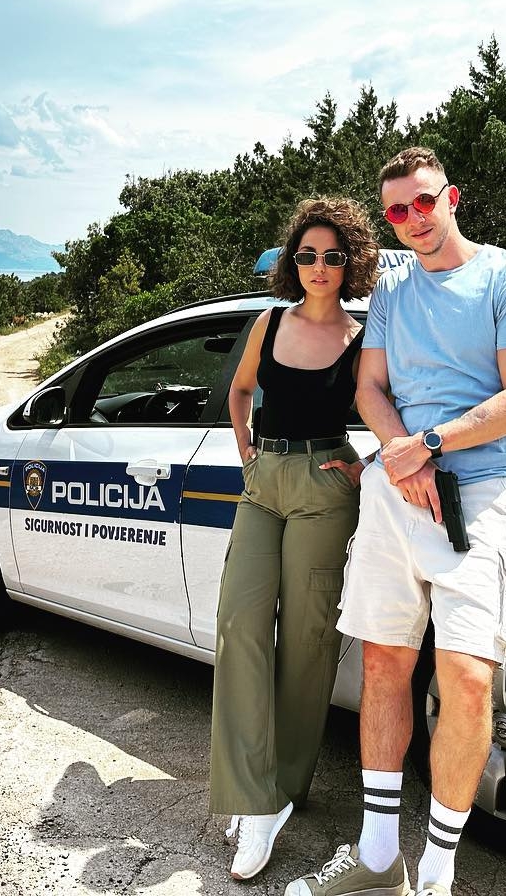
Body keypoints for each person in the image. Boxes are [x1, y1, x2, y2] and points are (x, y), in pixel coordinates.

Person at [287, 148, 506, 896]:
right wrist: (405, 459)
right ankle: (378, 860)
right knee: (382, 664)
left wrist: (430, 444)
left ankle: (436, 876)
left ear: (452, 197)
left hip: (484, 494)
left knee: (466, 680)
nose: (414, 219)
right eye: (398, 210)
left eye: (425, 202)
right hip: (396, 492)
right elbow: (370, 386)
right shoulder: (394, 291)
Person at [210, 197, 380, 881]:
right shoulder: (270, 322)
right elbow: (240, 391)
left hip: (323, 487)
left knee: (308, 642)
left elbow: (395, 406)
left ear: (350, 263)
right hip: (265, 484)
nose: (318, 266)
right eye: (307, 254)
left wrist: (368, 465)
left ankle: (278, 793)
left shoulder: (363, 338)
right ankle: (253, 792)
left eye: (332, 256)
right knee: (239, 625)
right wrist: (246, 452)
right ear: (293, 261)